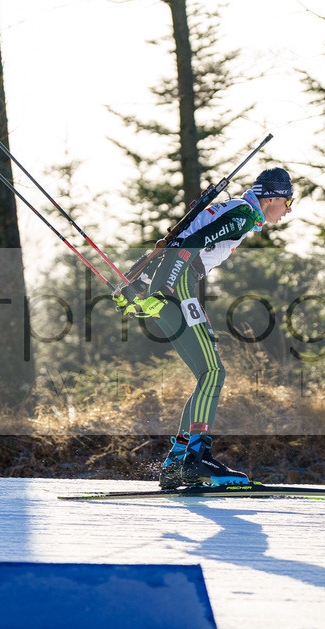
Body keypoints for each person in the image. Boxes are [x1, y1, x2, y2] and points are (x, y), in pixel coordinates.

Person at [114, 168, 293, 488]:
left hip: (175, 278)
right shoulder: (244, 214)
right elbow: (191, 243)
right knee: (213, 373)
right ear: (272, 198)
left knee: (206, 374)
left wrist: (137, 284)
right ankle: (196, 460)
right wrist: (166, 289)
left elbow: (176, 240)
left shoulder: (237, 208)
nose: (288, 210)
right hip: (179, 280)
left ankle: (175, 463)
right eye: (288, 201)